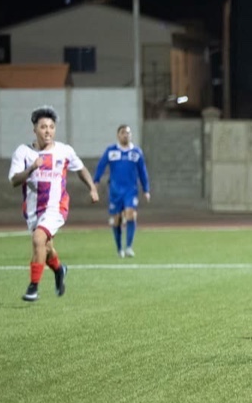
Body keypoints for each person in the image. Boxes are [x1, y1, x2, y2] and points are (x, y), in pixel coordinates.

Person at [10, 105, 99, 302]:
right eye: (43, 127)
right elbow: (15, 180)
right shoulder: (23, 152)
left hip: (56, 207)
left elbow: (81, 169)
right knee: (47, 248)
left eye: (51, 126)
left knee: (38, 239)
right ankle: (59, 270)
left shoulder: (64, 151)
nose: (48, 130)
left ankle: (33, 287)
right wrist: (31, 169)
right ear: (35, 129)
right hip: (33, 209)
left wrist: (92, 188)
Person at [93, 124, 151, 257]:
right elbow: (101, 166)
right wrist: (95, 181)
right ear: (118, 135)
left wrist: (146, 189)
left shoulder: (136, 152)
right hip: (115, 190)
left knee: (131, 215)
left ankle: (129, 247)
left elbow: (143, 171)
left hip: (131, 190)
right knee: (116, 220)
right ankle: (119, 248)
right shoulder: (111, 151)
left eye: (128, 133)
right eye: (123, 133)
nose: (126, 135)